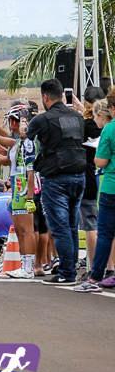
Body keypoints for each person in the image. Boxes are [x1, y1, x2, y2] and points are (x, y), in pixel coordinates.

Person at [26, 78, 87, 285]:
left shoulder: (42, 119)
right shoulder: (77, 117)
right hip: (79, 176)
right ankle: (70, 271)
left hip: (55, 178)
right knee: (70, 227)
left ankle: (67, 274)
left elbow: (25, 139)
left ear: (45, 97)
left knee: (60, 228)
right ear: (62, 95)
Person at [0, 102, 38, 279]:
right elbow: (1, 139)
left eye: (15, 121)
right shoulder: (18, 142)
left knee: (26, 230)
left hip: (22, 187)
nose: (13, 125)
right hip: (16, 187)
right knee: (20, 229)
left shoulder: (27, 144)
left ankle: (28, 268)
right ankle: (23, 264)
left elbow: (30, 171)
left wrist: (29, 197)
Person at [75, 97, 115, 292]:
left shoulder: (109, 129)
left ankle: (94, 278)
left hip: (111, 186)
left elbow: (100, 161)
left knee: (105, 233)